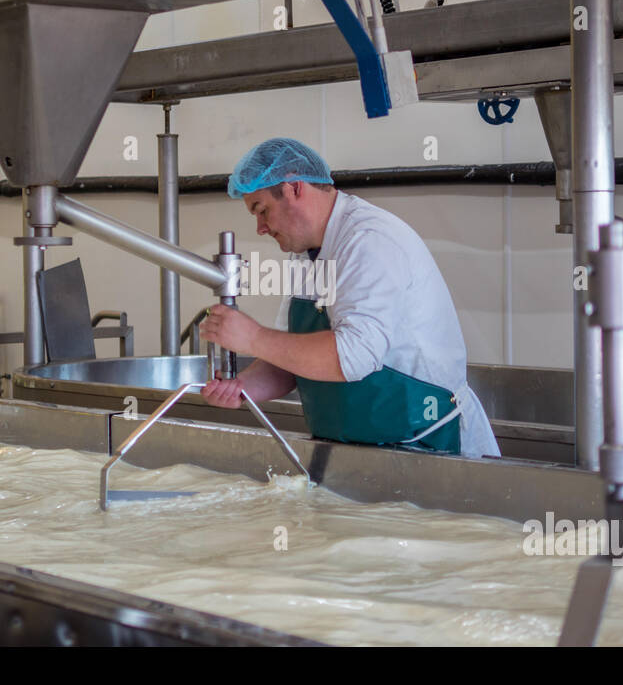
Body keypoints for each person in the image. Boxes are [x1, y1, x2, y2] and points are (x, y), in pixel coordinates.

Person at [199, 137, 500, 459]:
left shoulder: (368, 241)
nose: (260, 227)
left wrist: (253, 337)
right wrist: (243, 387)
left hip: (424, 446)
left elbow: (353, 356)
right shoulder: (306, 255)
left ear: (294, 188)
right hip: (354, 450)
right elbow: (290, 360)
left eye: (262, 210)